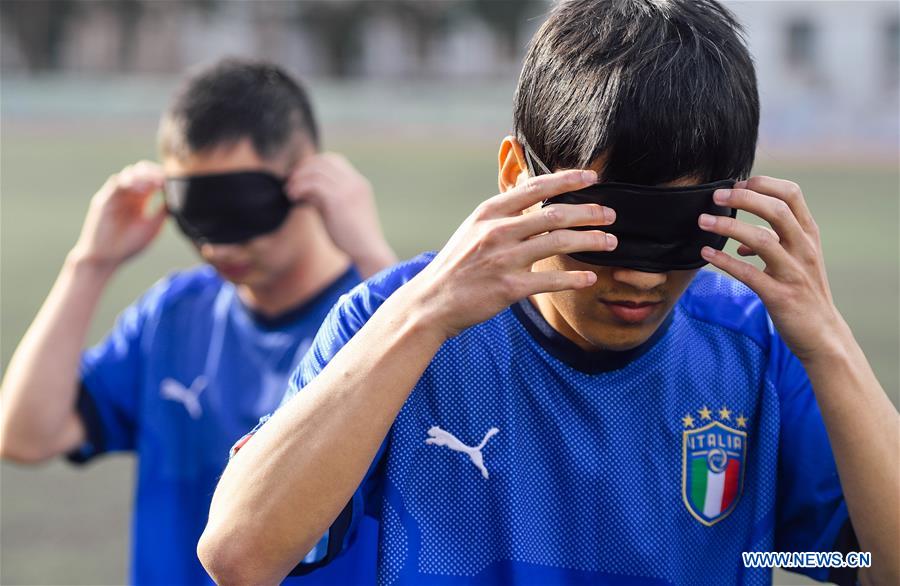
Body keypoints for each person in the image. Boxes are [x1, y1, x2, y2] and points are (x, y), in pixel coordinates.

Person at [198, 3, 899, 585]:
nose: (643, 277)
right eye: (608, 230)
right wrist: (424, 318)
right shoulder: (401, 323)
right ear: (516, 175)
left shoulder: (754, 352)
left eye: (680, 232)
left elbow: (874, 565)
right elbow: (240, 554)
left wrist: (829, 343)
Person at [0, 58, 394, 585]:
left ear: (310, 179)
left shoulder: (378, 322)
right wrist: (89, 265)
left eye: (238, 210)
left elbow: (456, 419)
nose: (217, 245)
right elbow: (27, 436)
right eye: (197, 215)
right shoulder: (174, 317)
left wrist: (370, 254)